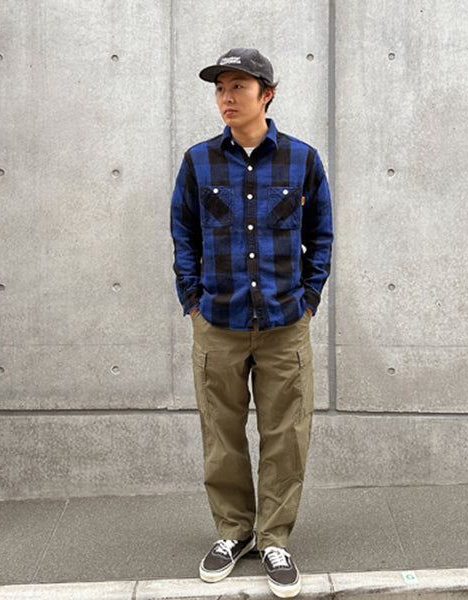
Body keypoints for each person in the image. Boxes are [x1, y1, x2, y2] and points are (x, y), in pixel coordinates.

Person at [170, 47, 333, 598]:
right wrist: (192, 299)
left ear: (267, 94)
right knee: (221, 434)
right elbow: (184, 234)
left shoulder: (302, 159)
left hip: (285, 323)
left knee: (287, 434)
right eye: (220, 88)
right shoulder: (198, 162)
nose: (226, 97)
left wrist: (309, 298)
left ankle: (275, 538)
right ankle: (233, 532)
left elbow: (322, 235)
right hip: (217, 322)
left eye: (238, 86)